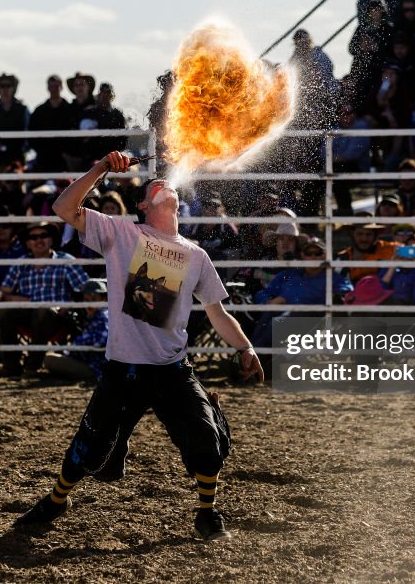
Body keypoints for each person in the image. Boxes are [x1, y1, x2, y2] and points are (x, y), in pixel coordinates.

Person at [15, 155, 263, 542]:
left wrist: (245, 347)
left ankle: (207, 513)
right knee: (90, 449)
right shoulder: (122, 234)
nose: (164, 184)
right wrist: (99, 168)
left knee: (207, 441)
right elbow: (64, 207)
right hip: (124, 369)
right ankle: (56, 500)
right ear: (143, 206)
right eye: (152, 187)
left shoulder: (196, 255)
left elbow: (217, 314)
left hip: (172, 369)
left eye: (168, 186)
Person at [0, 220, 90, 375]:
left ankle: (32, 366)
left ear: (51, 239)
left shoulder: (66, 261)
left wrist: (71, 304)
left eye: (43, 235)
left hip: (58, 316)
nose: (39, 240)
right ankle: (11, 365)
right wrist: (27, 301)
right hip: (27, 313)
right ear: (27, 243)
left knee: (44, 312)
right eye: (33, 238)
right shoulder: (21, 263)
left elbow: (87, 290)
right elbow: (3, 292)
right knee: (3, 313)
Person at [43, 279, 110, 381]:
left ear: (103, 299)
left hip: (96, 369)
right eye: (87, 300)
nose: (89, 304)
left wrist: (71, 351)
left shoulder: (102, 317)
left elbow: (97, 344)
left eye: (94, 300)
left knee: (49, 359)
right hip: (97, 365)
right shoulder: (101, 315)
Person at [28, 75, 74, 174]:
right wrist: (41, 151)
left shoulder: (70, 110)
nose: (54, 89)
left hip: (65, 160)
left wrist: (67, 153)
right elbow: (31, 134)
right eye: (51, 86)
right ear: (47, 88)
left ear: (61, 87)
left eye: (56, 86)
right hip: (44, 160)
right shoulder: (39, 111)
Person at [0, 72, 30, 168]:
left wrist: (23, 149)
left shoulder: (23, 109)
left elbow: (28, 132)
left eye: (8, 85)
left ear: (13, 88)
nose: (5, 89)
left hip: (18, 159)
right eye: (2, 86)